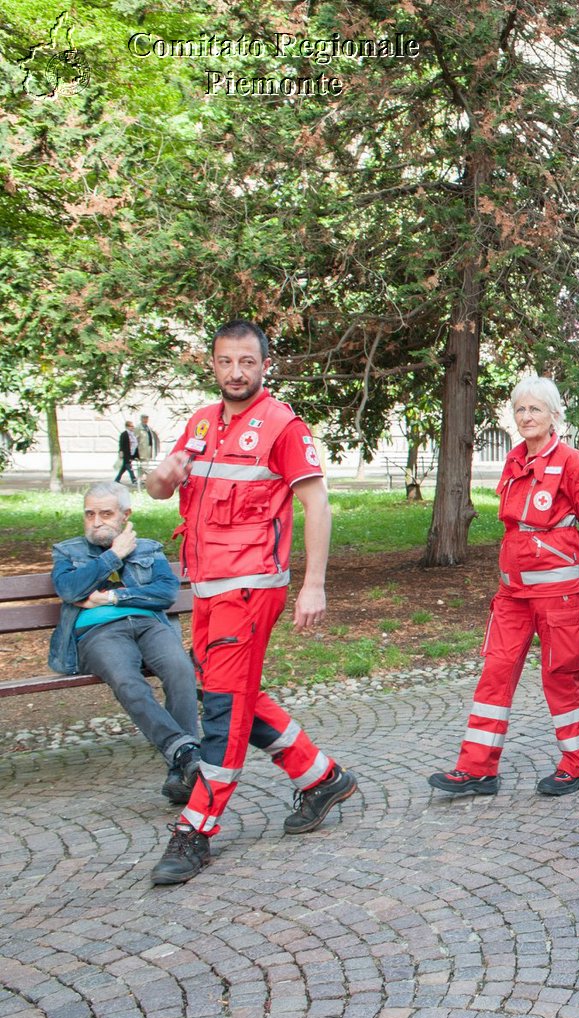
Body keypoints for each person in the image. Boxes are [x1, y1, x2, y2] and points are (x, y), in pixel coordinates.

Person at [142, 320, 357, 885]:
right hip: (207, 588)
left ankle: (196, 830)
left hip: (253, 587)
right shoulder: (201, 423)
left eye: (247, 362)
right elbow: (164, 489)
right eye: (225, 361)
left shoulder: (283, 426)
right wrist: (160, 477)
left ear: (265, 365)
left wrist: (314, 584)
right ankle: (320, 776)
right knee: (232, 692)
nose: (236, 372)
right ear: (213, 365)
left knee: (222, 711)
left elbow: (318, 505)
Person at [429, 377, 579, 798]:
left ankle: (576, 764)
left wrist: (574, 567)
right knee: (494, 673)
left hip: (559, 596)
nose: (527, 417)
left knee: (561, 679)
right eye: (521, 410)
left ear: (554, 416)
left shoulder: (572, 463)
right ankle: (477, 770)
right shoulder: (514, 462)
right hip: (512, 594)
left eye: (535, 410)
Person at [50, 482, 201, 804]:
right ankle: (186, 753)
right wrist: (113, 556)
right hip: (98, 633)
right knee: (128, 682)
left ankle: (180, 769)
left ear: (125, 515)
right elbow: (69, 590)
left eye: (106, 514)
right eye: (89, 514)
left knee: (180, 670)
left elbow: (165, 593)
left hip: (149, 626)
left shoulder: (147, 548)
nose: (96, 521)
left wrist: (112, 596)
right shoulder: (68, 552)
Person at [115, 420, 139, 486]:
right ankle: (134, 480)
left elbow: (135, 444)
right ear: (127, 427)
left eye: (133, 426)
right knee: (129, 467)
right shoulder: (124, 434)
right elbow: (121, 444)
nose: (133, 428)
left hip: (132, 453)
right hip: (126, 454)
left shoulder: (133, 434)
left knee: (124, 468)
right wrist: (121, 452)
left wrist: (135, 455)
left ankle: (117, 479)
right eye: (131, 426)